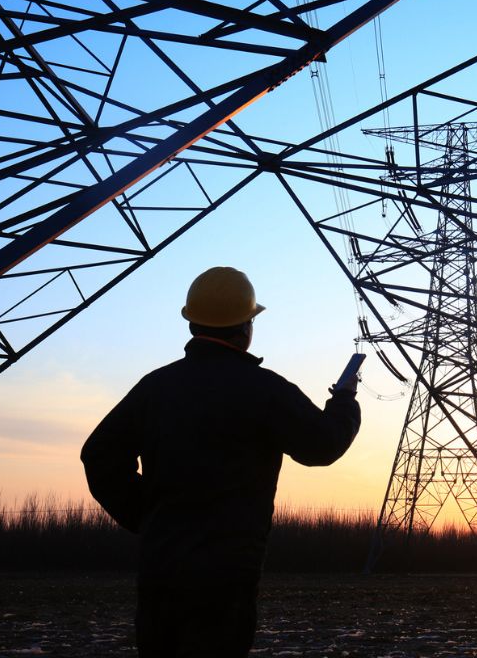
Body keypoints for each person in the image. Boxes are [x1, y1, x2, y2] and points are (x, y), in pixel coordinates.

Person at [81, 266, 361, 657]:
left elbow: (98, 455)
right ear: (246, 327)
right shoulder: (265, 390)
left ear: (193, 324)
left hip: (161, 569)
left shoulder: (156, 387)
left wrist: (148, 517)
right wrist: (345, 401)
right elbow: (323, 445)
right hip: (227, 575)